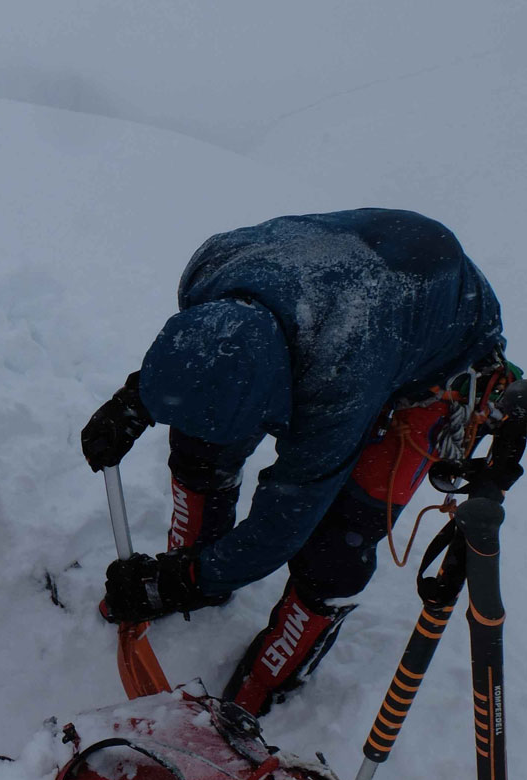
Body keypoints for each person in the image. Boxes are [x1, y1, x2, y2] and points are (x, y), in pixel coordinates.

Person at [80, 208, 511, 716]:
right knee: (201, 449)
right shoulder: (212, 270)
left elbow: (280, 528)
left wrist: (177, 581)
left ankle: (271, 674)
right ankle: (198, 567)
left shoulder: (337, 384)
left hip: (442, 353)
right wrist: (136, 401)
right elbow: (203, 352)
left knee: (339, 537)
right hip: (353, 295)